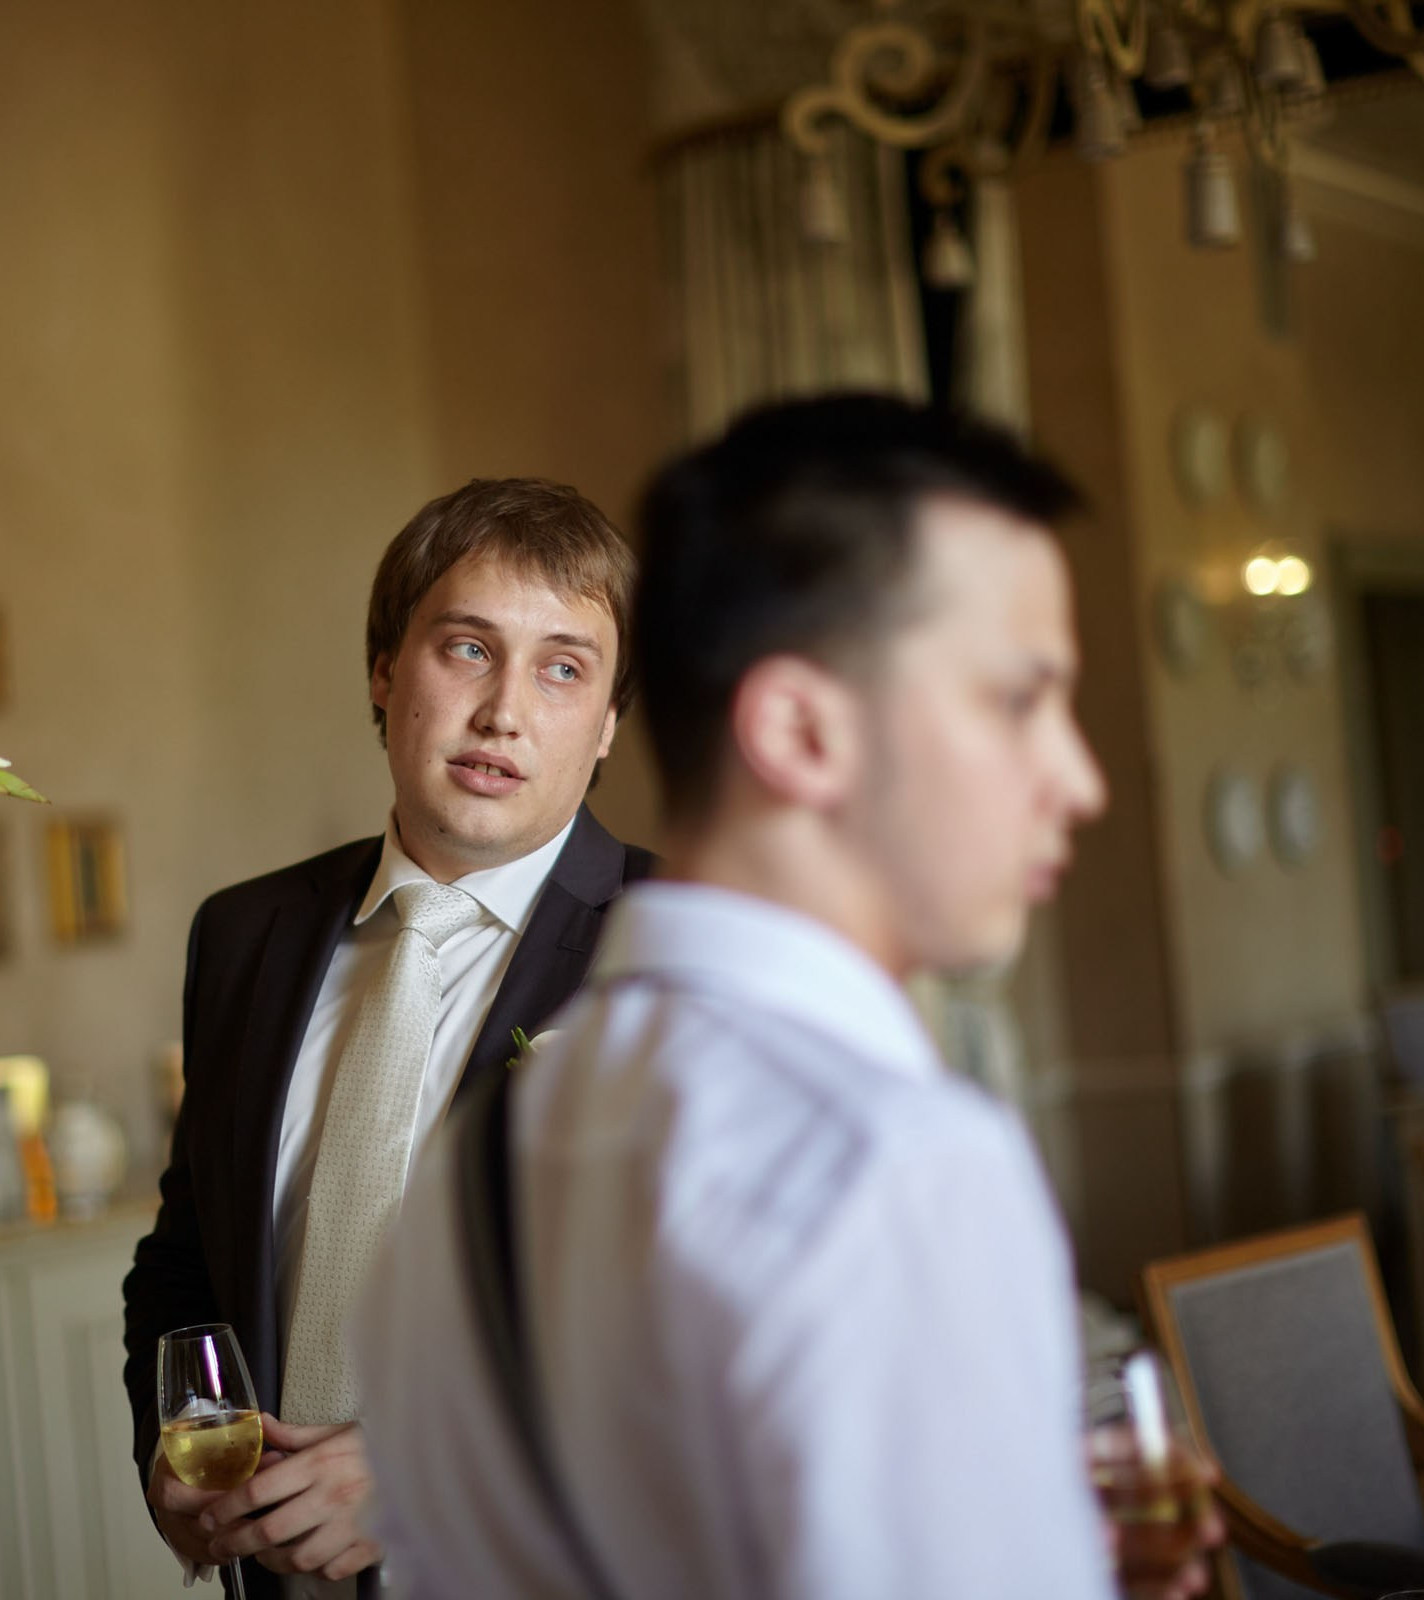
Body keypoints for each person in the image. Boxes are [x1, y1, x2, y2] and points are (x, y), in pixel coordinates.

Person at [354, 394, 1222, 1597]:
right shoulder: (894, 1162)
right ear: (802, 732)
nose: (1077, 779)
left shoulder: (470, 1164)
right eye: (1019, 700)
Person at [121, 477, 654, 1597]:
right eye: (468, 649)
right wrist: (172, 1456)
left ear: (607, 723)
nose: (505, 711)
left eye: (564, 667)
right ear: (383, 669)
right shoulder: (243, 935)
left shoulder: (683, 952)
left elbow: (715, 1332)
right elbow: (185, 1257)